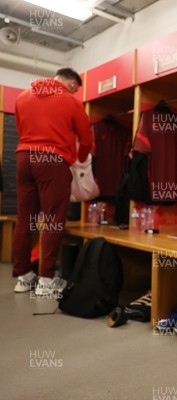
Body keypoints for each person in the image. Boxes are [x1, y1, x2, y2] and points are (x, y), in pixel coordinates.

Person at [12, 68, 92, 296]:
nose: (75, 92)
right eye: (75, 87)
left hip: (24, 158)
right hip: (51, 159)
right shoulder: (70, 101)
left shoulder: (22, 96)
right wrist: (81, 158)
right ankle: (46, 280)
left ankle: (24, 277)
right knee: (54, 219)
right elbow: (86, 138)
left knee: (25, 218)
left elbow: (20, 129)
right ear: (68, 81)